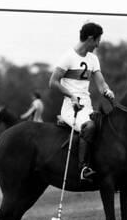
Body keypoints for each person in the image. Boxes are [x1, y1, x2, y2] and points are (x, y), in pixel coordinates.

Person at [49, 22, 115, 181]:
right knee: (90, 126)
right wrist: (71, 95)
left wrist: (107, 91)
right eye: (98, 40)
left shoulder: (93, 59)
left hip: (87, 108)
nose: (98, 44)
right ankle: (83, 168)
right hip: (71, 108)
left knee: (106, 126)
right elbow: (53, 82)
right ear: (91, 39)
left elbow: (101, 83)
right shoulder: (67, 57)